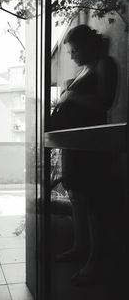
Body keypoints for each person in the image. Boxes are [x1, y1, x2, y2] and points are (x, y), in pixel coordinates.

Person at [51, 24, 117, 285]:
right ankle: (80, 247)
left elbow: (105, 102)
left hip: (92, 146)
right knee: (76, 197)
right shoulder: (84, 70)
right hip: (74, 145)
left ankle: (95, 261)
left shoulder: (105, 64)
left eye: (75, 50)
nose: (72, 55)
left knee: (93, 203)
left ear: (90, 45)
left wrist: (70, 97)